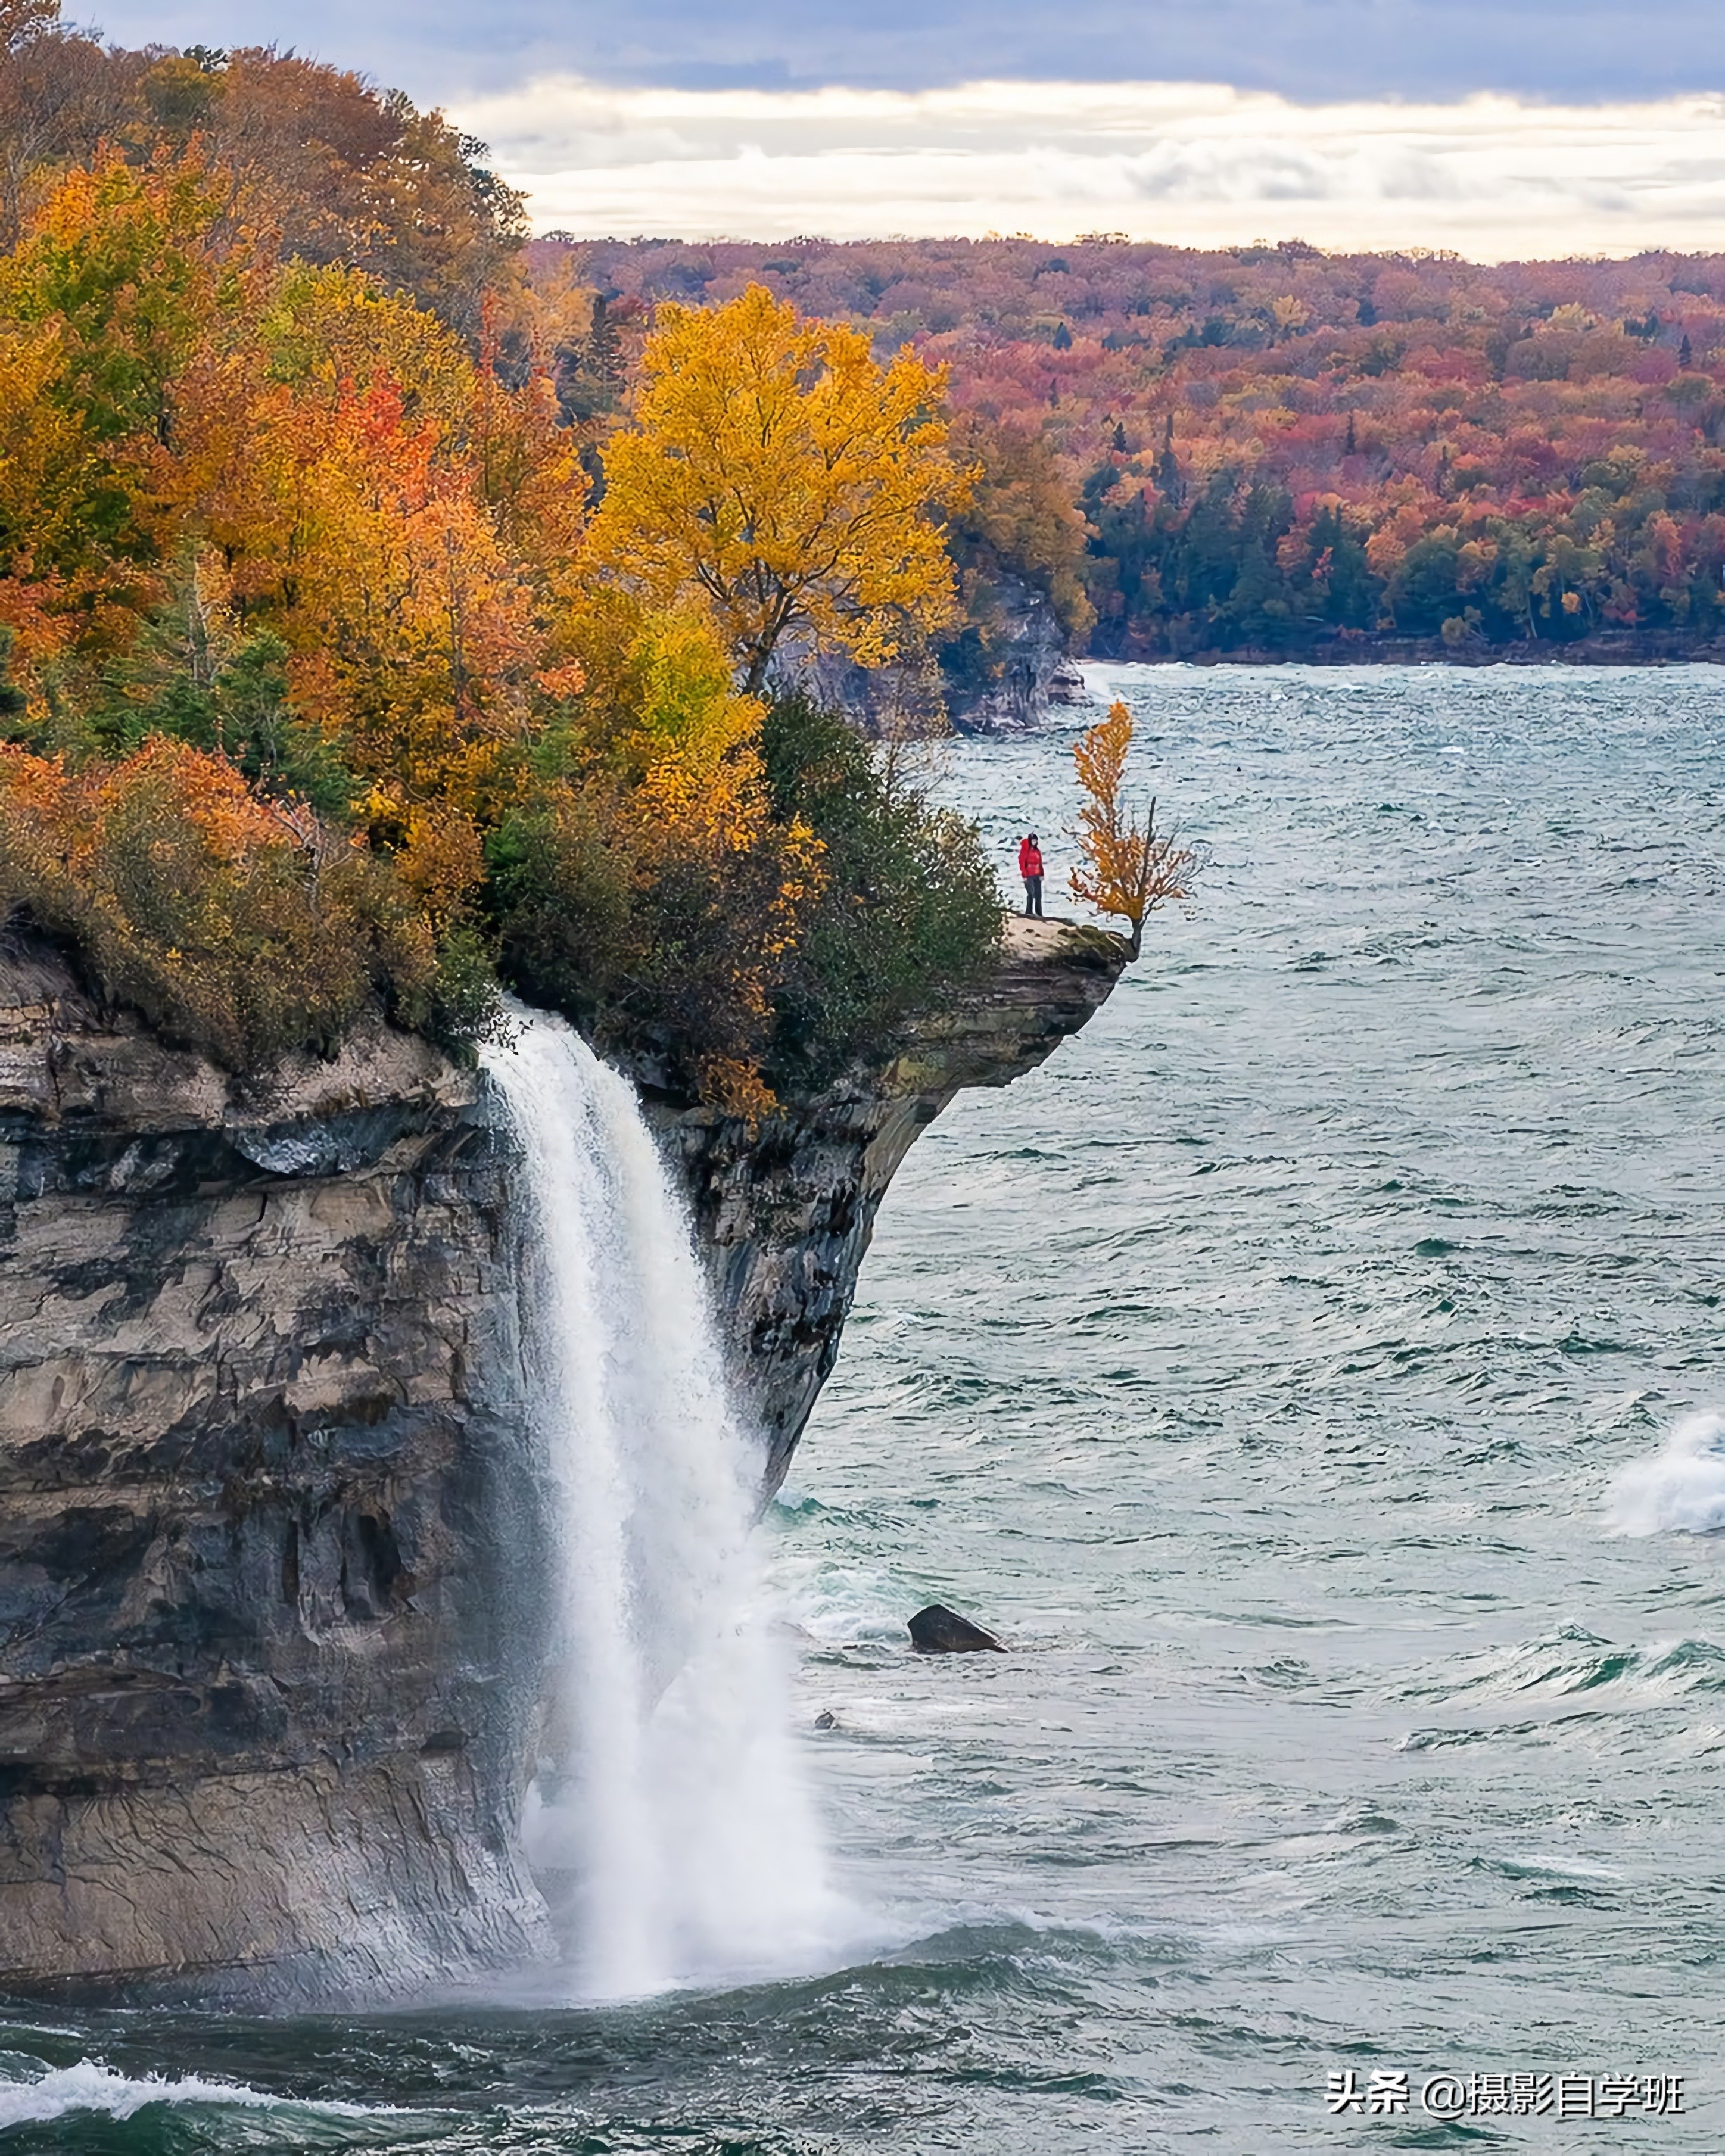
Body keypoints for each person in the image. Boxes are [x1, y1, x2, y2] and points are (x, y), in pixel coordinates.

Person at [1017, 831, 1044, 918]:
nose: (1034, 842)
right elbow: (1022, 862)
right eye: (1033, 841)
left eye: (1035, 841)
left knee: (1038, 894)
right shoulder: (1026, 851)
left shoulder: (1037, 851)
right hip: (1029, 875)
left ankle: (1039, 913)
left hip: (1037, 874)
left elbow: (1040, 863)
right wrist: (1024, 875)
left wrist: (1042, 874)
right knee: (1031, 893)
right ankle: (1029, 912)